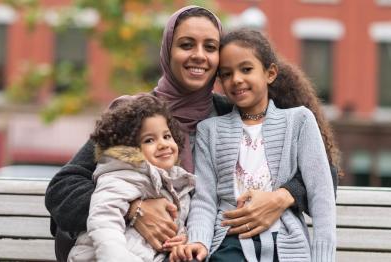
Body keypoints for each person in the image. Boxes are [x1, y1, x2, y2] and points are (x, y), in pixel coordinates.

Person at [45, 6, 337, 261]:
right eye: (186, 45)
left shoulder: (230, 113)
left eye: (210, 47)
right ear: (167, 50)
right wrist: (133, 208)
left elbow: (325, 174)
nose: (199, 56)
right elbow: (64, 186)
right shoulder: (135, 115)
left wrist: (281, 197)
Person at [170, 29, 337, 262]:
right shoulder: (210, 130)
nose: (236, 79)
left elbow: (322, 194)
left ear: (270, 73)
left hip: (287, 243)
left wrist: (323, 256)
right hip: (229, 242)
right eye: (226, 74)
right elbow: (205, 199)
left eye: (246, 69)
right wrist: (198, 241)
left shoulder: (299, 121)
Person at [67, 94, 195, 262]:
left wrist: (180, 238)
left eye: (167, 136)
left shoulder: (177, 182)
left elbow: (175, 221)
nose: (163, 144)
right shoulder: (122, 176)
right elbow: (103, 221)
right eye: (149, 140)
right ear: (129, 148)